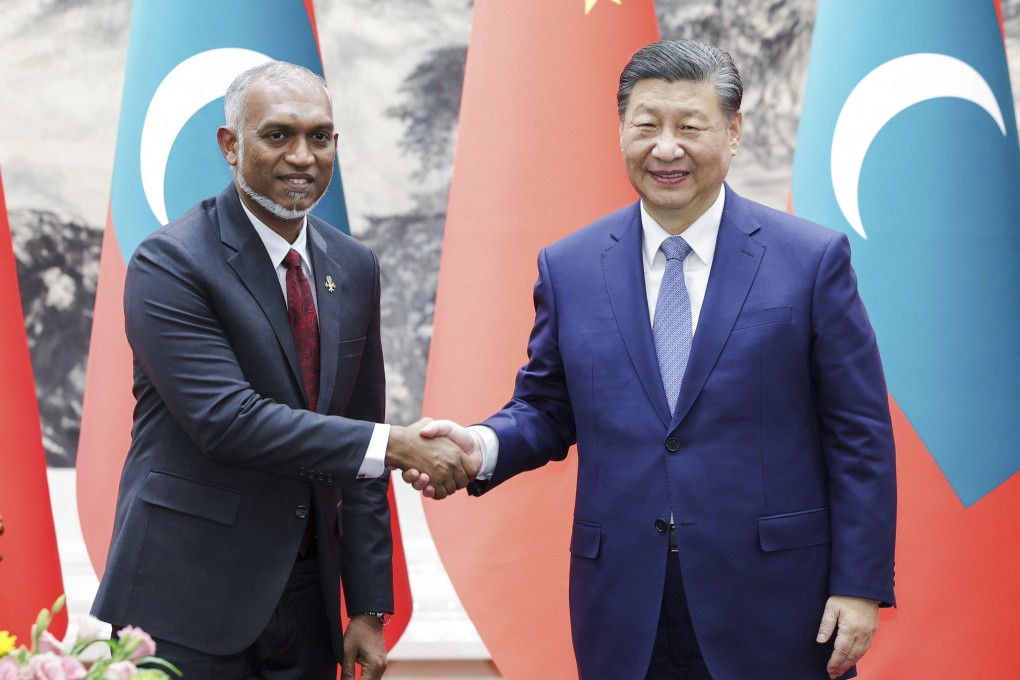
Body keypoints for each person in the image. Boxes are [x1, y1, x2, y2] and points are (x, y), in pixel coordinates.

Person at [408, 39, 896, 679]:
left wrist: (858, 584)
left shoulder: (809, 261)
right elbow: (547, 409)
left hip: (778, 603)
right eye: (646, 126)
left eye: (689, 127)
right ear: (621, 132)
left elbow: (858, 433)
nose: (666, 148)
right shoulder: (570, 266)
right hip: (623, 606)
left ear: (733, 131)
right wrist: (480, 447)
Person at [91, 61, 476, 680]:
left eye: (319, 137)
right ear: (229, 145)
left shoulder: (352, 266)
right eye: (278, 135)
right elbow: (228, 421)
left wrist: (370, 607)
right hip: (184, 597)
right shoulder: (170, 263)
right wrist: (395, 445)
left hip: (306, 601)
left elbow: (361, 434)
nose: (303, 156)